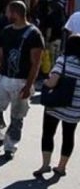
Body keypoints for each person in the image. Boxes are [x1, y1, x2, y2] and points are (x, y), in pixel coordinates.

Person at [0, 1, 44, 160]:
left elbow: (36, 63)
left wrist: (29, 85)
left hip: (22, 81)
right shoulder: (7, 31)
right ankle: (2, 134)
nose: (6, 15)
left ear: (15, 13)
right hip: (4, 78)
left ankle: (10, 147)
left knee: (17, 117)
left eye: (8, 12)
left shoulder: (34, 34)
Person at [34, 35, 80, 177]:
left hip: (56, 105)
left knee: (48, 133)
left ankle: (45, 165)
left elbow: (52, 82)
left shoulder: (63, 61)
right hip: (75, 108)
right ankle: (61, 167)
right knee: (68, 136)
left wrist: (46, 83)